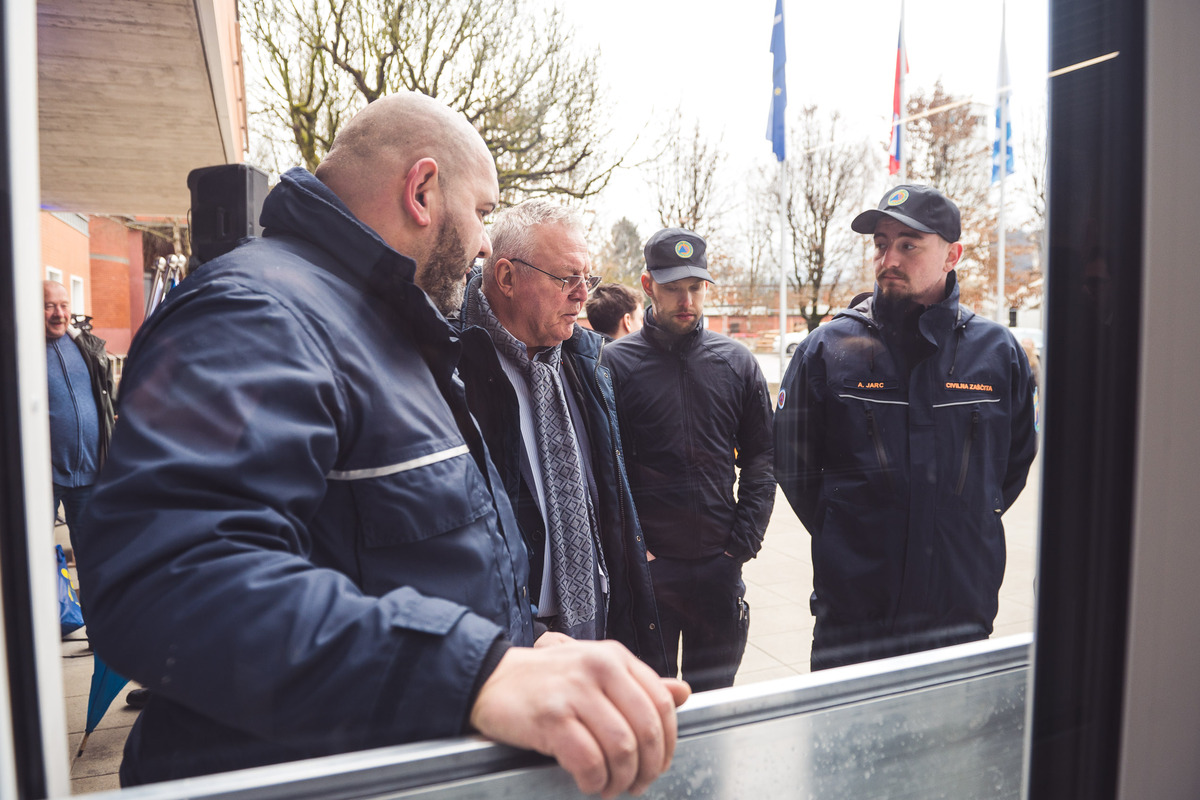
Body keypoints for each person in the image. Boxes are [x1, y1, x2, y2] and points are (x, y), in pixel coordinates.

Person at [76, 93, 688, 794]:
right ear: (422, 190)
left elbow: (401, 552)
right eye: (482, 212)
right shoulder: (256, 313)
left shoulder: (384, 325)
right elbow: (171, 582)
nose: (485, 245)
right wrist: (477, 672)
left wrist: (524, 643)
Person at [774, 184, 1038, 671]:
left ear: (952, 255)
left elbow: (1013, 464)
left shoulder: (997, 353)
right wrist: (852, 529)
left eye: (908, 244)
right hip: (854, 615)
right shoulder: (827, 349)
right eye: (881, 243)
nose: (888, 258)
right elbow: (793, 465)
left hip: (958, 610)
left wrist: (959, 518)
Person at [456, 200, 667, 674]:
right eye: (566, 278)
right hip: (508, 648)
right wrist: (526, 634)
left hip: (599, 624)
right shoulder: (448, 365)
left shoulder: (588, 360)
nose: (582, 296)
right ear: (506, 277)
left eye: (587, 279)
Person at [605, 228, 775, 692]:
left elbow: (762, 457)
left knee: (714, 704)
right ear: (648, 285)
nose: (687, 301)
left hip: (719, 569)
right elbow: (603, 470)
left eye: (696, 287)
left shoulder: (737, 362)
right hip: (649, 573)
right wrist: (635, 551)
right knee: (650, 703)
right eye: (673, 288)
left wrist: (741, 543)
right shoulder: (614, 365)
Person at [44, 279, 115, 551]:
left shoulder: (86, 347)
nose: (59, 314)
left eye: (64, 306)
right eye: (49, 306)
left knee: (93, 554)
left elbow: (108, 400)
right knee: (34, 553)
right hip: (44, 476)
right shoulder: (20, 352)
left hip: (89, 473)